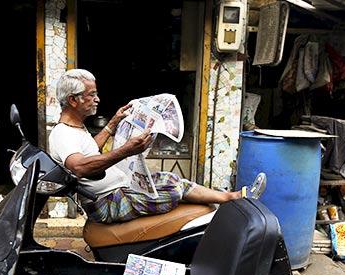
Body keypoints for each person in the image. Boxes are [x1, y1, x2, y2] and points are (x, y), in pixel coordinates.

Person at [48, 69, 264, 224]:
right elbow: (80, 167)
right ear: (73, 100)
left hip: (118, 191)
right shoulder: (62, 134)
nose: (97, 99)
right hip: (107, 203)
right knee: (172, 188)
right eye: (91, 94)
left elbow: (90, 152)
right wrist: (126, 150)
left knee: (170, 179)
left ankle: (232, 197)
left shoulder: (75, 128)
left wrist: (113, 124)